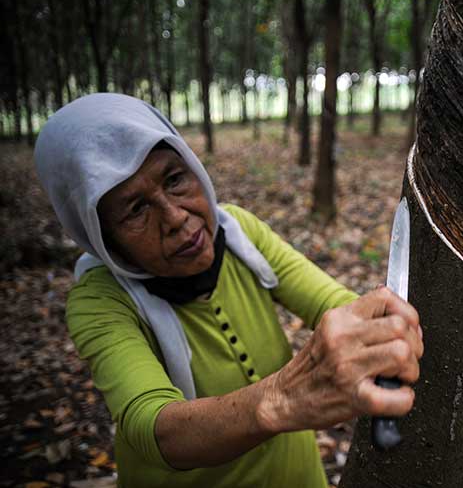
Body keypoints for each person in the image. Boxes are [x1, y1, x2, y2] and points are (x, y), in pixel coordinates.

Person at [33, 93, 423, 487]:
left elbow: (334, 302)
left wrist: (378, 335)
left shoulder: (238, 232)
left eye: (174, 179)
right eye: (135, 210)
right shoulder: (99, 301)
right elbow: (152, 427)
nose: (174, 217)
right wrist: (282, 398)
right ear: (101, 236)